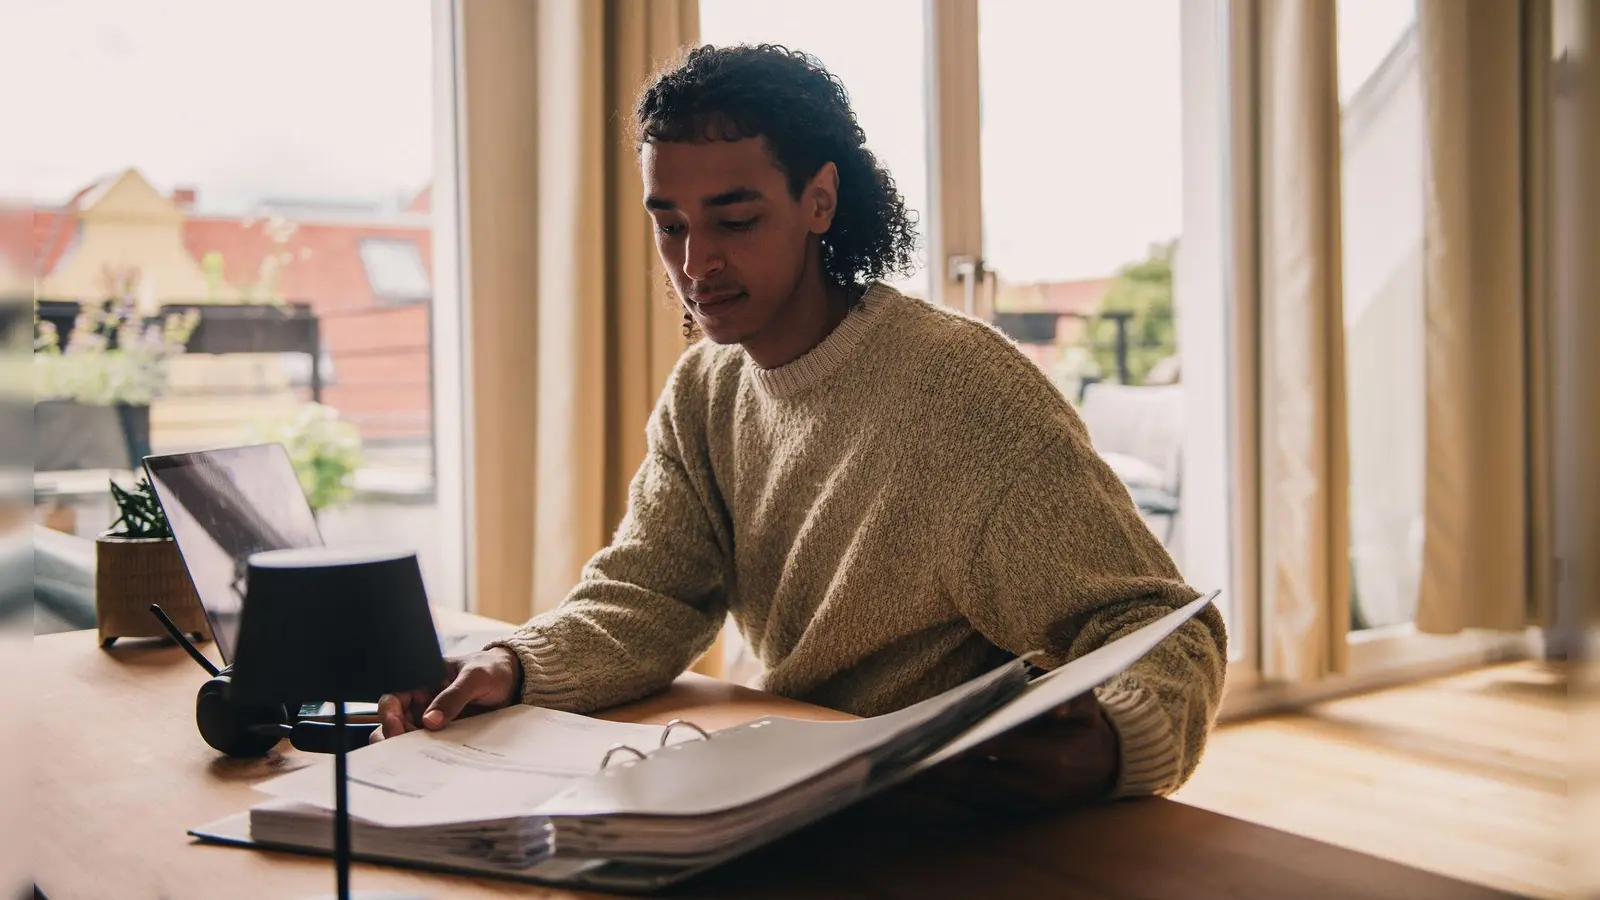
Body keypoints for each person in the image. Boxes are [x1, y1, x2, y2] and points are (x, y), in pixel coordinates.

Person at [377, 43, 1227, 813]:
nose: (694, 264)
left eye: (734, 220)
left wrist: (1110, 742)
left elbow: (1160, 629)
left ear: (819, 201)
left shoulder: (964, 393)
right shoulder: (705, 390)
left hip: (948, 811)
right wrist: (514, 661)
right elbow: (650, 594)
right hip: (790, 788)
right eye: (669, 224)